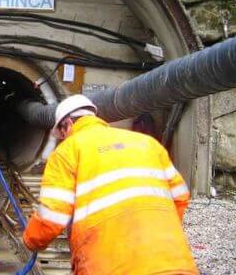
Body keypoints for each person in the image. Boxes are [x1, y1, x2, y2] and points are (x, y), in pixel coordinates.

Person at [23, 95, 198, 275]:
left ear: (67, 124)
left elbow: (52, 216)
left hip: (110, 266)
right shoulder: (148, 143)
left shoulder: (67, 151)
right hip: (174, 263)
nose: (63, 139)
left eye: (62, 134)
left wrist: (31, 240)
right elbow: (180, 196)